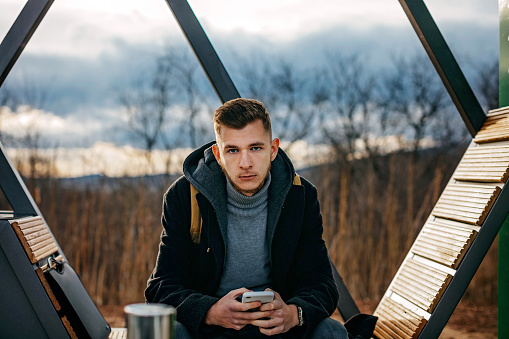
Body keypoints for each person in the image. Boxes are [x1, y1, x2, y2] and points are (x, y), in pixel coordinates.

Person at [145, 98, 348, 338]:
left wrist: (294, 314)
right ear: (218, 155)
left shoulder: (300, 197)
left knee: (331, 331)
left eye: (255, 148)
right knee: (167, 331)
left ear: (273, 150)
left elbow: (321, 283)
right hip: (210, 329)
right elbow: (161, 287)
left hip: (277, 329)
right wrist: (210, 311)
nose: (245, 163)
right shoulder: (184, 196)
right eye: (233, 150)